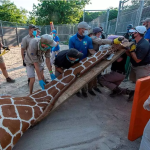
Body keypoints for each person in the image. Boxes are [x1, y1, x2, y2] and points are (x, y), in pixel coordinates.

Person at [69, 21, 96, 97]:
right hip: (75, 61)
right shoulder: (72, 39)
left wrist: (98, 55)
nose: (87, 31)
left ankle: (84, 91)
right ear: (81, 29)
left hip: (85, 61)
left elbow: (91, 50)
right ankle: (77, 91)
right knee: (77, 77)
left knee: (84, 76)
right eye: (86, 29)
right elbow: (71, 52)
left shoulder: (88, 39)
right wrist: (74, 61)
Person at [127, 26, 150, 100]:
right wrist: (126, 49)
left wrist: (132, 51)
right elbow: (130, 55)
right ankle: (135, 95)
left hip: (142, 67)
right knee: (136, 83)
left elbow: (138, 60)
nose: (132, 33)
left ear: (138, 33)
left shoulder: (144, 45)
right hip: (135, 66)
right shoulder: (135, 41)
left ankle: (141, 102)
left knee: (141, 85)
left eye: (134, 32)